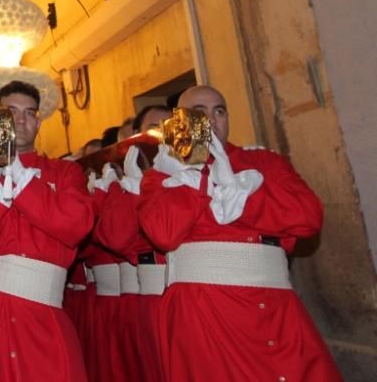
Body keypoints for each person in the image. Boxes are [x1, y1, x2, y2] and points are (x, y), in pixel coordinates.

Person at [138, 85, 341, 381]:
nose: (212, 120)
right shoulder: (163, 174)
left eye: (219, 111)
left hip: (274, 307)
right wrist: (198, 177)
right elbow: (164, 233)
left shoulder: (263, 162)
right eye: (199, 113)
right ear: (179, 121)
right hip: (205, 312)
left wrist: (244, 198)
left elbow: (308, 216)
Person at [0, 81, 95, 381]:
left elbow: (74, 226)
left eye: (29, 113)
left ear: (38, 122)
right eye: (11, 112)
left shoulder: (66, 173)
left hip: (42, 308)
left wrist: (20, 176)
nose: (20, 119)